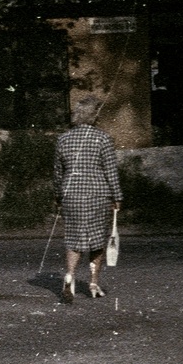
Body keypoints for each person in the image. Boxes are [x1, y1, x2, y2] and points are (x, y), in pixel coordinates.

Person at [53, 94, 121, 301]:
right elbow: (110, 171)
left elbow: (58, 172)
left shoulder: (63, 139)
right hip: (97, 194)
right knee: (97, 240)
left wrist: (58, 196)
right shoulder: (102, 138)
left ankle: (70, 276)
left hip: (71, 195)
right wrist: (117, 196)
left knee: (74, 238)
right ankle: (93, 283)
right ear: (95, 116)